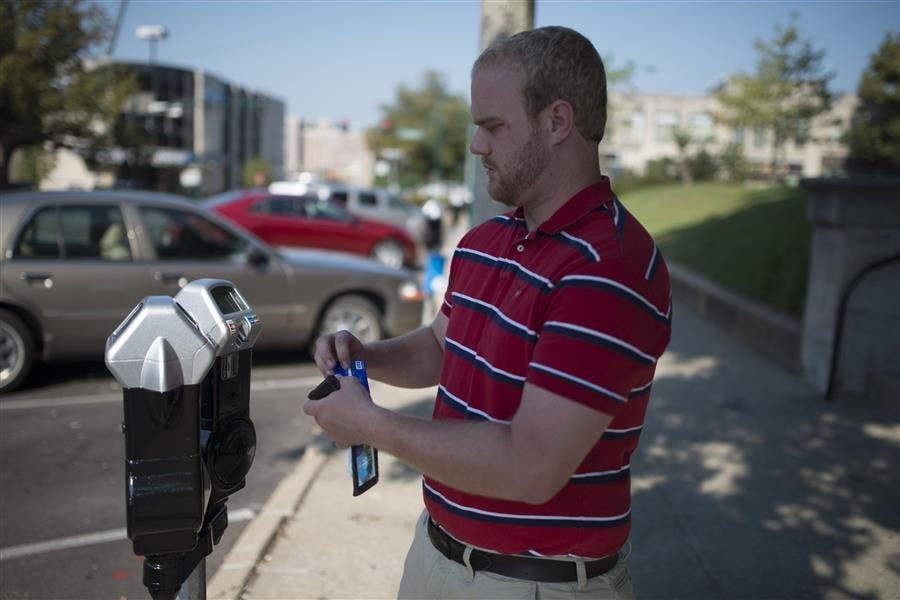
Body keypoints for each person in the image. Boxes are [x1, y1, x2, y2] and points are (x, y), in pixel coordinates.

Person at [304, 25, 671, 599]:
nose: (476, 145)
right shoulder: (485, 241)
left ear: (557, 122)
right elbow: (439, 347)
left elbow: (531, 466)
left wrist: (372, 426)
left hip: (537, 585)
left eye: (493, 126)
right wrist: (364, 356)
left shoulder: (608, 266)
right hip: (436, 553)